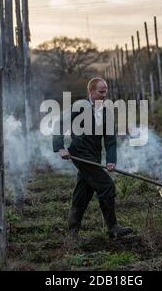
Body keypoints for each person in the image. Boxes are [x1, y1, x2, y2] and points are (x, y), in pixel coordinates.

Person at [53, 77, 133, 238]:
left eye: (106, 91)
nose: (105, 95)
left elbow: (110, 140)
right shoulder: (79, 107)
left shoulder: (106, 112)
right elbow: (59, 123)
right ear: (91, 91)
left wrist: (111, 160)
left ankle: (72, 232)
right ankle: (112, 227)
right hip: (80, 154)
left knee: (83, 191)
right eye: (101, 91)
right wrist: (60, 148)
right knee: (106, 186)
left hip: (93, 156)